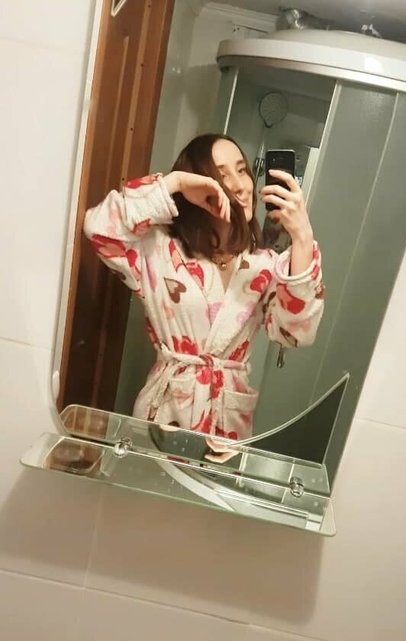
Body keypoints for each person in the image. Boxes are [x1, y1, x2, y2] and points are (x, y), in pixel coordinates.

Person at [83, 133, 325, 443]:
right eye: (222, 175)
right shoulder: (157, 248)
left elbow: (296, 333)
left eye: (242, 170)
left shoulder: (264, 265)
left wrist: (302, 237)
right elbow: (98, 228)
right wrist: (175, 183)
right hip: (166, 411)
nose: (240, 185)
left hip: (228, 421)